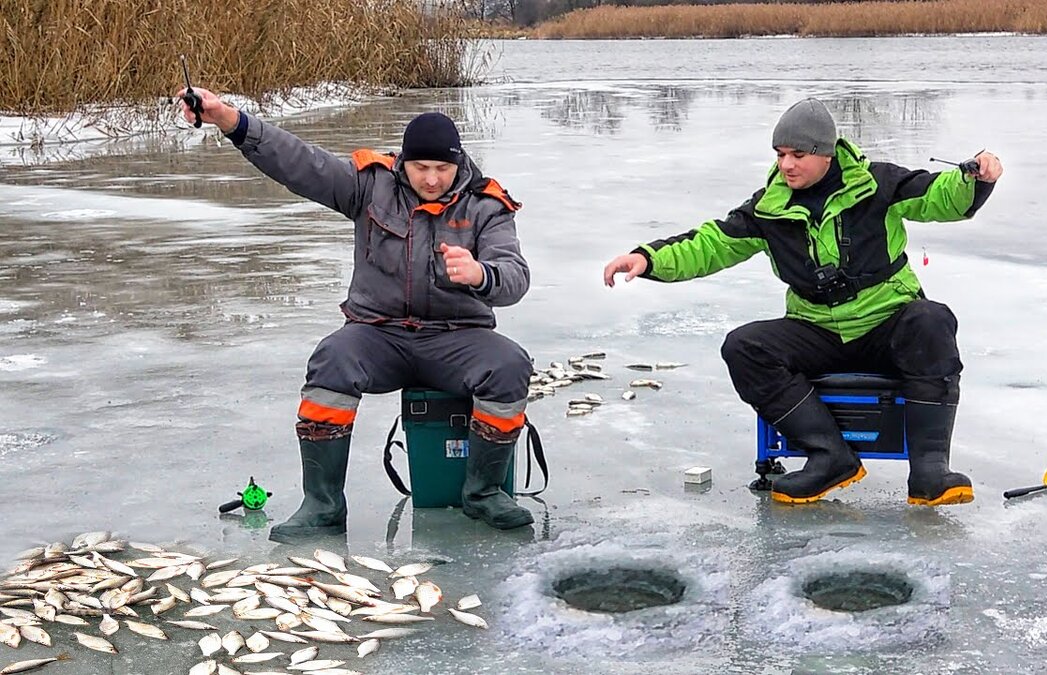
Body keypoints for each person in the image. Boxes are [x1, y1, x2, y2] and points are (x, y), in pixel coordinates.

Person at [602, 98, 1002, 507]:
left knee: (932, 319)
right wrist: (647, 258)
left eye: (798, 154)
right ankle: (830, 457)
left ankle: (930, 471)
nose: (787, 165)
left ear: (826, 154)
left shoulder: (878, 185)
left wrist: (975, 175)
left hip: (887, 323)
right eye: (780, 155)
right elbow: (711, 244)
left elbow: (941, 196)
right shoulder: (768, 209)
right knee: (745, 346)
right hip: (817, 330)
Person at [178, 88, 536, 541]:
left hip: (456, 336)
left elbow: (515, 277)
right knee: (332, 359)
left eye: (442, 169)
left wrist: (480, 274)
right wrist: (231, 120)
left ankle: (484, 493)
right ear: (403, 160)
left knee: (508, 365)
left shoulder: (486, 205)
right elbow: (301, 162)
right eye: (421, 168)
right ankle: (323, 505)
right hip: (377, 334)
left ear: (458, 163)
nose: (431, 179)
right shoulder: (370, 184)